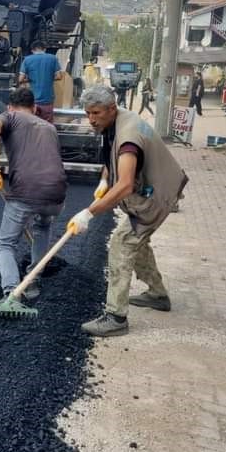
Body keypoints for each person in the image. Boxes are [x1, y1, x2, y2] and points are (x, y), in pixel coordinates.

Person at [69, 86, 189, 337]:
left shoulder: (128, 135)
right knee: (138, 242)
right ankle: (157, 295)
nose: (91, 119)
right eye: (87, 113)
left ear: (111, 108)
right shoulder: (116, 120)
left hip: (157, 195)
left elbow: (124, 185)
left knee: (121, 243)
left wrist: (88, 213)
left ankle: (115, 317)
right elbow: (111, 160)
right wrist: (104, 180)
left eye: (96, 113)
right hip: (155, 187)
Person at [0, 87, 67, 302]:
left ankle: (11, 292)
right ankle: (32, 281)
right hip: (57, 191)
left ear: (9, 107)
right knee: (42, 227)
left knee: (5, 243)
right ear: (35, 108)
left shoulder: (10, 116)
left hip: (27, 189)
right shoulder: (49, 127)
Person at [18, 40, 63, 123]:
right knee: (47, 125)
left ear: (32, 50)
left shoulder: (27, 60)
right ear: (44, 49)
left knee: (32, 125)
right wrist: (48, 78)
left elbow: (20, 79)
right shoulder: (53, 58)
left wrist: (30, 79)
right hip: (48, 99)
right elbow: (59, 76)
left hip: (32, 101)